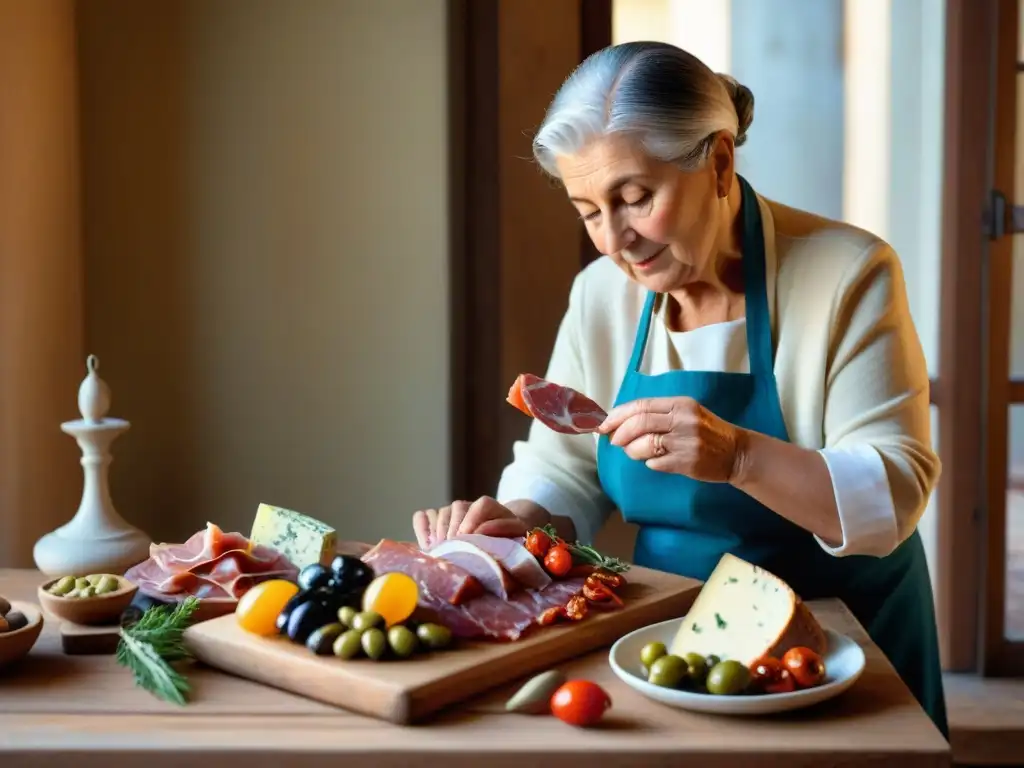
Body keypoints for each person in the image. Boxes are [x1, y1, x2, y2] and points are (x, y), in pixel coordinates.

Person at [412, 41, 947, 737]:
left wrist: (741, 459)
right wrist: (519, 524)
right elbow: (563, 466)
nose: (615, 240)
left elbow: (894, 491)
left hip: (844, 653)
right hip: (670, 645)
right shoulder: (601, 295)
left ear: (719, 161)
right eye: (588, 210)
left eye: (634, 198)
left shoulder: (850, 273)